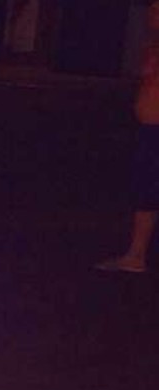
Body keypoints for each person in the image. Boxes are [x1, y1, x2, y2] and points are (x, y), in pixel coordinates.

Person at [97, 1, 159, 274]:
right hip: (150, 130)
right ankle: (136, 254)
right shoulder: (153, 44)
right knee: (146, 192)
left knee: (148, 189)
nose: (151, 14)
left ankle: (137, 254)